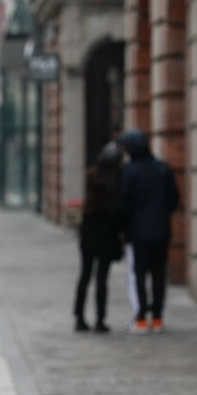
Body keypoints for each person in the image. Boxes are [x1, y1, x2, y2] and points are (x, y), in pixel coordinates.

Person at [120, 128, 180, 334]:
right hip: (161, 231)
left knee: (139, 275)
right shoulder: (162, 169)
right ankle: (157, 317)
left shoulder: (129, 171)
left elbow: (124, 202)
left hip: (138, 233)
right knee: (159, 275)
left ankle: (141, 319)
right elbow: (174, 199)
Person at [71, 142, 124, 333]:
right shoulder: (117, 180)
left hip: (89, 232)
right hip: (107, 234)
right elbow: (119, 211)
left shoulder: (93, 175)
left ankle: (79, 317)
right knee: (102, 278)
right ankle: (100, 320)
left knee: (85, 275)